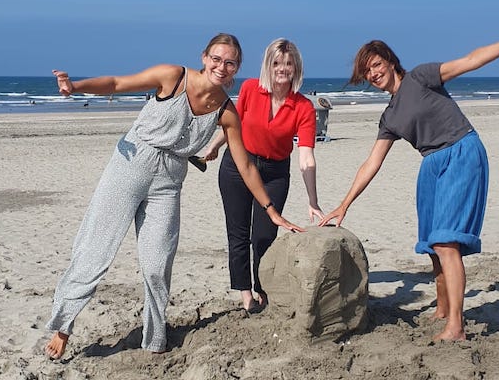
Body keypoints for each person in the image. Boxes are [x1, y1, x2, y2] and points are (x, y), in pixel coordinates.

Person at [44, 33, 304, 359]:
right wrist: (76, 87)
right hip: (129, 167)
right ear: (204, 57)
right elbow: (116, 83)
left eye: (230, 62)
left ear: (236, 68)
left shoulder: (226, 112)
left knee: (157, 264)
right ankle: (64, 326)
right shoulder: (173, 76)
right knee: (95, 250)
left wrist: (270, 209)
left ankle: (154, 339)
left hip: (168, 182)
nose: (221, 66)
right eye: (217, 58)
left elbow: (246, 166)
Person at [319, 21, 499, 342]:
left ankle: (455, 326)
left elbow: (472, 60)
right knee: (432, 246)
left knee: (445, 242)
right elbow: (372, 162)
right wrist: (344, 205)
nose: (373, 74)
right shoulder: (390, 116)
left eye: (376, 65)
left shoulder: (421, 77)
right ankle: (442, 309)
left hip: (461, 151)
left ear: (390, 60)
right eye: (366, 71)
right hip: (431, 163)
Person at [203, 38, 323, 312]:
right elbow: (234, 126)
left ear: (296, 68)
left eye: (288, 63)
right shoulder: (249, 89)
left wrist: (312, 200)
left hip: (274, 173)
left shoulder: (303, 107)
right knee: (239, 233)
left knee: (264, 236)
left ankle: (263, 288)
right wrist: (214, 145)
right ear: (268, 65)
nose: (282, 69)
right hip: (237, 166)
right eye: (277, 63)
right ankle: (246, 294)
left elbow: (306, 158)